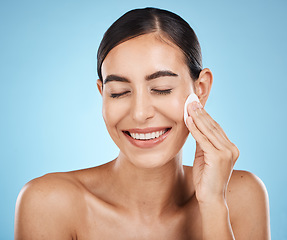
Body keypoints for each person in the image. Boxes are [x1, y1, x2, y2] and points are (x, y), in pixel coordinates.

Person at [14, 7, 270, 239]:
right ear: (102, 94)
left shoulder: (243, 196)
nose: (139, 114)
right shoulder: (48, 202)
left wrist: (214, 204)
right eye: (119, 92)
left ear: (200, 89)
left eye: (161, 89)